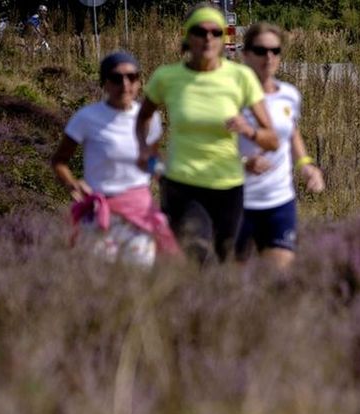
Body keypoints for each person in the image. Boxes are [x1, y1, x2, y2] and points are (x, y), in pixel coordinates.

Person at [135, 5, 278, 264]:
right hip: (182, 185)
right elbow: (143, 116)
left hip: (228, 185)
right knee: (197, 253)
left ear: (224, 38)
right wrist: (145, 149)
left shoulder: (240, 77)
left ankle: (214, 304)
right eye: (200, 31)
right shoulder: (167, 77)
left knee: (228, 261)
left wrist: (248, 131)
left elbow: (272, 138)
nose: (208, 38)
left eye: (215, 32)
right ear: (187, 36)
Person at [50, 51, 178, 266]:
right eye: (116, 78)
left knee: (137, 282)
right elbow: (59, 161)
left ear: (139, 82)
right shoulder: (86, 118)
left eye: (132, 77)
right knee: (98, 284)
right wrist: (72, 183)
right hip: (100, 213)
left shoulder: (151, 119)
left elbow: (151, 159)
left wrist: (162, 176)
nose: (125, 84)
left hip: (139, 214)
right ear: (105, 83)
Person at [235, 22, 324, 271]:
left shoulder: (289, 95)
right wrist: (244, 161)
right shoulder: (232, 98)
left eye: (275, 51)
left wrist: (306, 166)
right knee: (234, 288)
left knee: (280, 281)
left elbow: (292, 134)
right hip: (237, 203)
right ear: (246, 54)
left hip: (279, 202)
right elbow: (215, 146)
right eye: (260, 50)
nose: (269, 57)